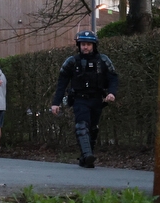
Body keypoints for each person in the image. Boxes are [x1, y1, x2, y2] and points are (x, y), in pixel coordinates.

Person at [50, 30, 118, 168]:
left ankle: (85, 158)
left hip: (97, 100)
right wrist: (55, 103)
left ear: (94, 45)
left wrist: (111, 93)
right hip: (79, 99)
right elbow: (62, 83)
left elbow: (113, 77)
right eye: (82, 44)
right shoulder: (72, 62)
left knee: (93, 128)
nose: (85, 47)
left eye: (88, 44)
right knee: (82, 125)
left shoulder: (103, 60)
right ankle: (88, 155)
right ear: (79, 45)